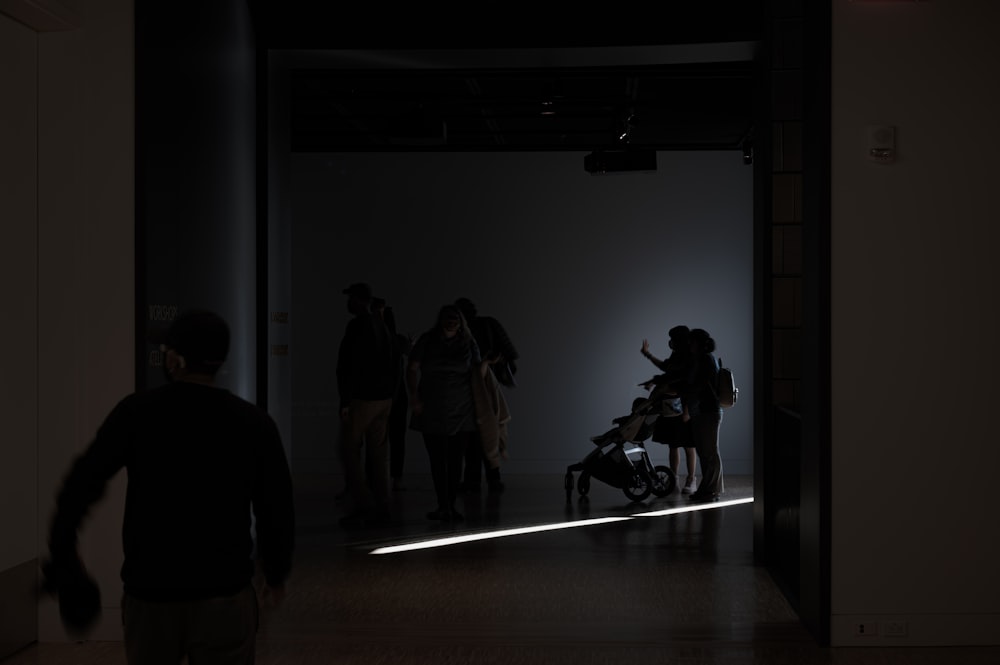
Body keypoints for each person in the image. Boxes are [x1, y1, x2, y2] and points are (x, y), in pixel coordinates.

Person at [41, 309, 295, 665]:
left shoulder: (136, 414)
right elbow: (276, 506)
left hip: (151, 593)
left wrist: (63, 551)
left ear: (175, 359)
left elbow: (82, 483)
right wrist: (277, 572)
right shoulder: (253, 423)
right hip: (225, 591)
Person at [407, 304, 494, 522]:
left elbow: (476, 373)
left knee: (455, 461)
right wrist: (414, 398)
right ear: (440, 320)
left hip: (462, 410)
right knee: (437, 460)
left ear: (460, 322)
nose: (451, 322)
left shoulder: (468, 343)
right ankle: (442, 505)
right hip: (431, 408)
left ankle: (450, 506)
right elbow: (412, 368)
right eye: (447, 318)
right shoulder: (428, 340)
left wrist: (486, 364)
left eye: (455, 318)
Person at [336, 282, 400, 528]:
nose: (348, 303)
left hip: (363, 398)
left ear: (358, 300)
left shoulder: (357, 326)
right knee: (378, 454)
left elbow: (347, 366)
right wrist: (392, 395)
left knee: (348, 450)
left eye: (350, 298)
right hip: (383, 399)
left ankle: (363, 504)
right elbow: (395, 360)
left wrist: (345, 399)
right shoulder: (381, 324)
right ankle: (382, 507)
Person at [454, 297, 518, 492]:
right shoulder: (486, 325)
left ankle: (476, 479)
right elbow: (509, 352)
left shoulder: (462, 333)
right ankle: (491, 477)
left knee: (476, 435)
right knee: (489, 432)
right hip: (485, 386)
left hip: (475, 387)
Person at [640, 325, 698, 494]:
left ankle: (691, 479)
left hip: (683, 408)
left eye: (673, 339)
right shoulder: (677, 355)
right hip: (670, 407)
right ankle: (673, 479)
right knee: (673, 444)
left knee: (688, 445)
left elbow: (688, 385)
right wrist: (653, 377)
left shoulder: (690, 358)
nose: (670, 342)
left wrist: (687, 410)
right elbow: (667, 370)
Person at [372, 297, 412, 492]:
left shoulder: (376, 340)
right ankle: (395, 478)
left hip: (380, 395)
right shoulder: (399, 341)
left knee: (377, 439)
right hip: (397, 395)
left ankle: (377, 479)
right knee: (396, 439)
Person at [683, 328, 725, 502]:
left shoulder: (706, 360)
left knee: (709, 452)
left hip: (708, 411)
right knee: (705, 452)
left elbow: (699, 385)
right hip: (702, 411)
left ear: (699, 343)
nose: (689, 345)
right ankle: (708, 488)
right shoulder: (701, 359)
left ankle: (711, 490)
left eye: (691, 341)